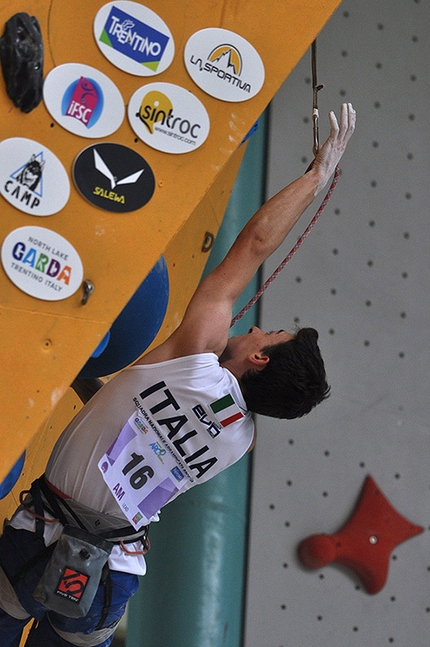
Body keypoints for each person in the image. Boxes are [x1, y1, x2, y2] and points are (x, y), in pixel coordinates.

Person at [0, 103, 356, 646]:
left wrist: (316, 177)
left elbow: (254, 246)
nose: (261, 331)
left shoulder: (197, 352)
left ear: (259, 359)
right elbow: (139, 435)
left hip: (43, 534)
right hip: (113, 570)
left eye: (271, 334)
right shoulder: (241, 440)